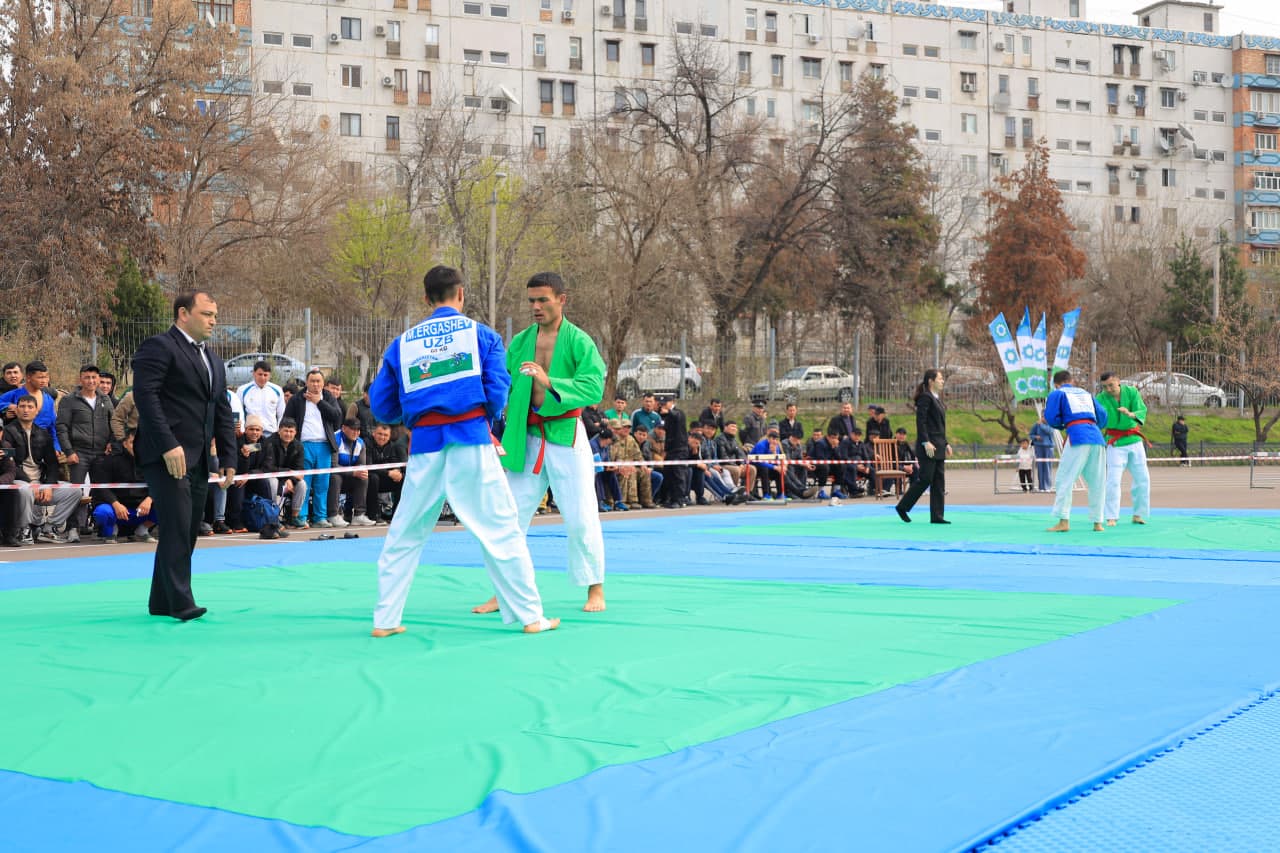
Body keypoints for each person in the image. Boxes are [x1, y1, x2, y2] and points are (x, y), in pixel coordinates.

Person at [369, 265, 558, 637]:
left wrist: (412, 413)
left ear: (426, 298)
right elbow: (498, 388)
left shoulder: (403, 344)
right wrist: (484, 419)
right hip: (471, 438)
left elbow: (382, 405)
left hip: (424, 445)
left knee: (404, 534)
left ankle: (385, 621)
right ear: (461, 295)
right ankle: (531, 618)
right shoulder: (481, 335)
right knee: (501, 528)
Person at [474, 271, 607, 614]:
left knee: (580, 516)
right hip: (526, 435)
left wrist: (550, 381)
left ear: (563, 299)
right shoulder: (520, 342)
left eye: (543, 299)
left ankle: (595, 589)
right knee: (508, 516)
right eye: (531, 300)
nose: (535, 306)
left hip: (565, 434)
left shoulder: (579, 341)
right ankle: (503, 589)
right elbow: (499, 382)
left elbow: (594, 386)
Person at [131, 291, 237, 621]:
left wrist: (229, 458)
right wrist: (167, 444)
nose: (213, 321)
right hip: (166, 455)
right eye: (206, 314)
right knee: (176, 526)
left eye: (214, 315)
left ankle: (161, 600)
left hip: (200, 458)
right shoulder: (159, 347)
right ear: (183, 314)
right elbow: (145, 397)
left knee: (189, 528)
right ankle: (181, 601)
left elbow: (221, 409)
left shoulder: (214, 360)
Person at [3, 395, 82, 543]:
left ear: (36, 411)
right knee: (24, 490)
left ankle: (49, 527)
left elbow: (52, 464)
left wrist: (48, 485)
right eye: (22, 406)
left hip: (41, 483)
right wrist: (31, 483)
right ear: (17, 409)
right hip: (19, 480)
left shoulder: (43, 434)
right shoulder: (8, 432)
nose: (26, 410)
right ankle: (23, 529)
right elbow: (11, 464)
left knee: (75, 491)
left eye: (30, 407)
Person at [1044, 370, 1108, 533]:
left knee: (1065, 478)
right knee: (1097, 481)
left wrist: (1063, 425)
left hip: (1077, 436)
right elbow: (1102, 415)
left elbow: (1051, 417)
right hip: (1096, 436)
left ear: (1056, 384)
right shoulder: (1086, 393)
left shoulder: (1057, 393)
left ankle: (1063, 521)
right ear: (1071, 381)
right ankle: (1098, 522)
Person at [283, 369, 343, 527]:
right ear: (307, 382)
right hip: (303, 446)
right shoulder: (297, 399)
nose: (315, 384)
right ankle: (301, 516)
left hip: (324, 446)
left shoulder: (328, 397)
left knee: (322, 484)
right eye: (312, 381)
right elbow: (287, 420)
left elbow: (337, 417)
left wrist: (319, 402)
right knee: (304, 483)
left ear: (323, 384)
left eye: (318, 381)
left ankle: (319, 517)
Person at [895, 369, 951, 524]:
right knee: (926, 479)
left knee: (939, 481)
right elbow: (921, 422)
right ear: (931, 381)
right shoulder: (925, 398)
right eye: (940, 378)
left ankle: (937, 516)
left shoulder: (938, 398)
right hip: (928, 447)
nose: (942, 381)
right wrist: (926, 441)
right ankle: (902, 507)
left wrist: (946, 443)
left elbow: (938, 425)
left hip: (938, 446)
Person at [1097, 371, 1150, 526]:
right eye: (1105, 386)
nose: (1108, 389)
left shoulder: (1132, 392)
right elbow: (1097, 418)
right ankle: (1111, 516)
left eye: (1111, 385)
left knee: (1143, 478)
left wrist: (1131, 414)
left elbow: (1141, 410)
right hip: (1115, 442)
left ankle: (1139, 514)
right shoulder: (1100, 399)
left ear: (1118, 381)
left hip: (1134, 439)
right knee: (1113, 480)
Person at [90, 432, 157, 543]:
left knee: (170, 503)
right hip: (117, 510)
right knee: (103, 512)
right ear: (125, 444)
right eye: (132, 442)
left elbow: (160, 485)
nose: (136, 446)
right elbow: (101, 487)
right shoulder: (110, 461)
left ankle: (142, 530)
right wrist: (115, 504)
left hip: (140, 510)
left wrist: (149, 500)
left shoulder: (151, 463)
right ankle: (111, 531)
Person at [366, 423, 407, 519]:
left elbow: (394, 462)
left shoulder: (391, 446)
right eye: (380, 434)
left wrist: (397, 472)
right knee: (373, 478)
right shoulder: (367, 443)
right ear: (374, 433)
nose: (382, 437)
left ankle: (397, 515)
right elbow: (369, 465)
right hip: (370, 478)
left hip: (384, 478)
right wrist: (388, 473)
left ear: (389, 437)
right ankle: (374, 515)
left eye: (385, 435)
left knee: (403, 478)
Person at [238, 360, 287, 437]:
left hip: (271, 434)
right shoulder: (242, 390)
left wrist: (279, 431)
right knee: (253, 449)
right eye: (260, 374)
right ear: (254, 374)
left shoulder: (277, 390)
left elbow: (281, 413)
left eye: (265, 375)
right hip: (251, 435)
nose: (262, 377)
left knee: (269, 449)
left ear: (270, 375)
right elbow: (239, 412)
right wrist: (242, 430)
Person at [658, 395, 690, 508]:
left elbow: (676, 417)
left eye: (665, 403)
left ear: (672, 402)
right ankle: (671, 498)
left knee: (678, 474)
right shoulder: (667, 416)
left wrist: (668, 411)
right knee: (669, 473)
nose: (663, 406)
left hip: (680, 448)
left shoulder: (678, 413)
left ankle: (679, 499)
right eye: (662, 404)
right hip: (670, 449)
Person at [1029, 414, 1056, 492]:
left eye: (1045, 416)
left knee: (1047, 466)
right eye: (1043, 416)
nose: (1044, 418)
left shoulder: (1051, 424)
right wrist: (1035, 437)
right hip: (1039, 447)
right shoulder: (1036, 425)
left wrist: (1041, 425)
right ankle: (1041, 487)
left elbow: (1049, 431)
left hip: (1048, 447)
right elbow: (1031, 434)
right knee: (1040, 467)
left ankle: (1047, 486)